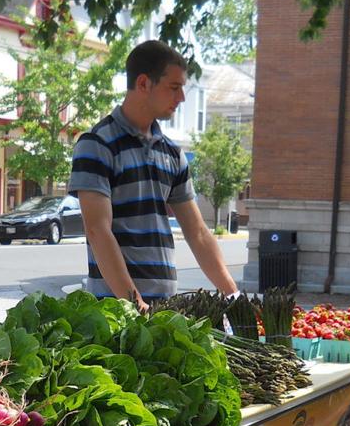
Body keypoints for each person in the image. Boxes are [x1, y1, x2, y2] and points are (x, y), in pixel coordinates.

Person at [68, 40, 239, 310]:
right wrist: (133, 303)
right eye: (174, 87)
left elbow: (197, 233)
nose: (181, 98)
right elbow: (97, 231)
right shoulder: (96, 144)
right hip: (114, 308)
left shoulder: (172, 153)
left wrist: (233, 295)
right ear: (144, 83)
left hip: (164, 304)